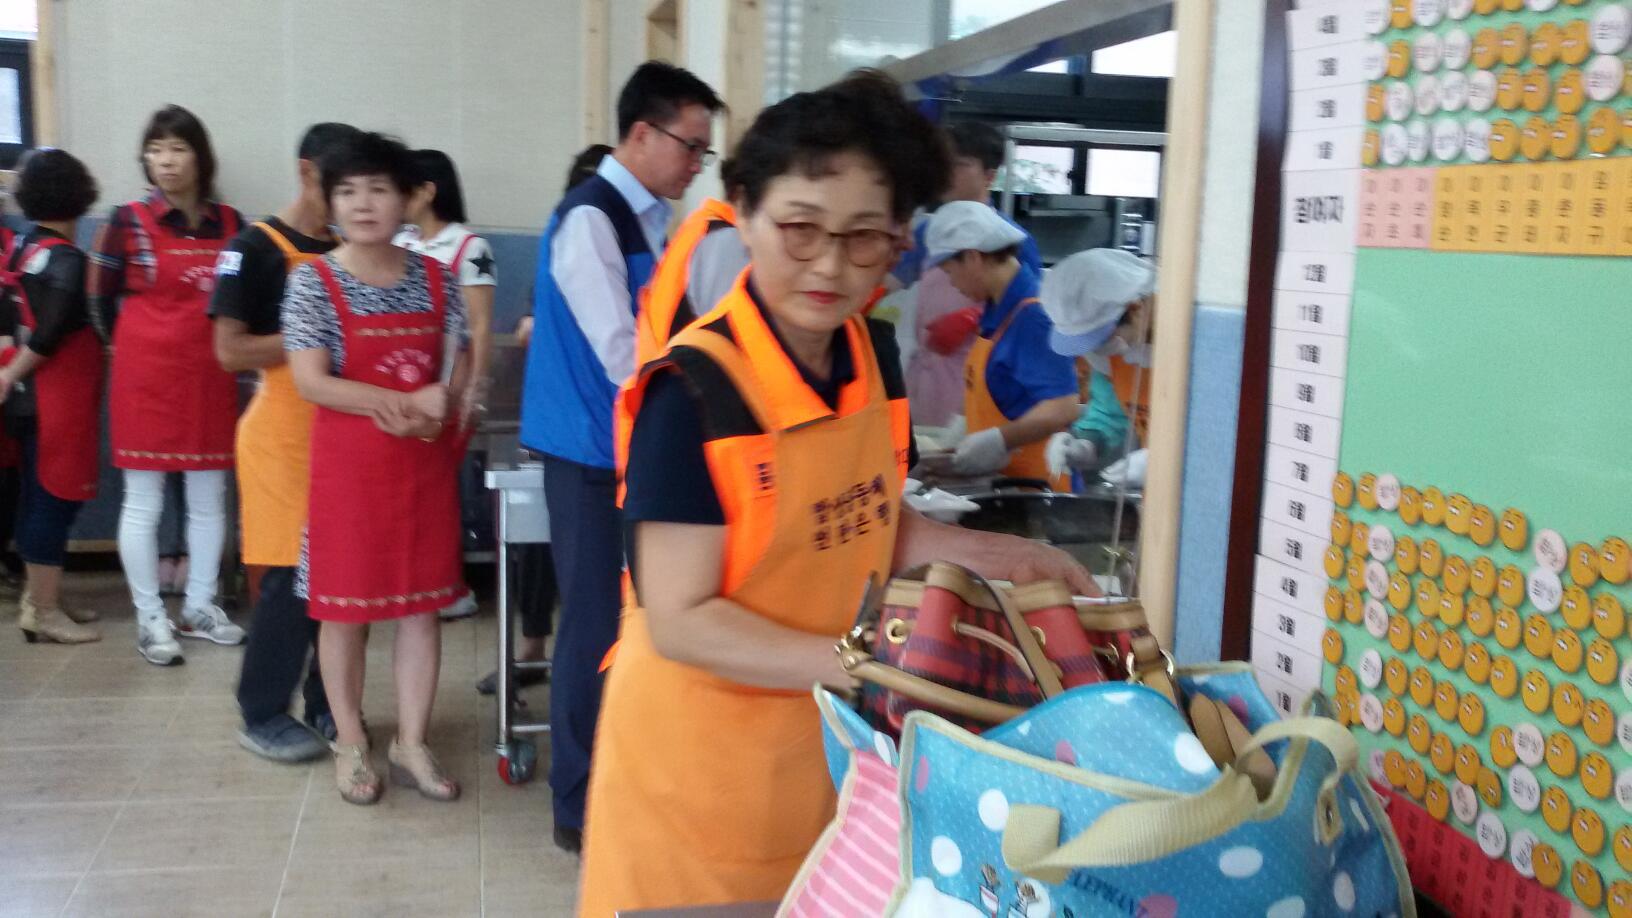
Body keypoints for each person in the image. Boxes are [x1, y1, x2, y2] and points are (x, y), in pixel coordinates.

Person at [576, 70, 1096, 916]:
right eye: (800, 229)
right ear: (744, 212)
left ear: (897, 241)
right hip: (697, 770)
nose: (828, 264)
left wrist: (1010, 557)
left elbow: (866, 522)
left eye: (863, 238)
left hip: (828, 748)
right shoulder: (696, 391)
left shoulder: (868, 355)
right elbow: (681, 619)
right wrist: (877, 668)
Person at [520, 60, 723, 853]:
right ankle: (576, 803)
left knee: (637, 623)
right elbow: (623, 353)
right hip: (588, 455)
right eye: (690, 146)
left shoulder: (651, 221)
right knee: (592, 625)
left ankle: (623, 781)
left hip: (630, 452)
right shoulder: (590, 219)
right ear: (642, 134)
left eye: (704, 151)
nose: (697, 164)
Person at [282, 131, 470, 805]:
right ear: (331, 201)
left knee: (421, 610)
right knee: (344, 613)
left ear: (409, 199)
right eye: (348, 191)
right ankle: (352, 741)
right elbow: (311, 381)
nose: (363, 204)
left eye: (378, 189)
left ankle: (412, 741)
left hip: (421, 469)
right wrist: (404, 403)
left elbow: (455, 364)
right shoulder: (313, 281)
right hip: (349, 476)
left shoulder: (439, 279)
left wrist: (441, 408)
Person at [212, 121, 360, 762]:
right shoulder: (254, 247)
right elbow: (229, 350)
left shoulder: (349, 253)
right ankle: (262, 711)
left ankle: (329, 702)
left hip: (340, 434)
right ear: (307, 173)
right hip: (279, 441)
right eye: (342, 186)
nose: (353, 201)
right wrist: (311, 339)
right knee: (288, 580)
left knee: (343, 580)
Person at [89, 104, 246, 665]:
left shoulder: (233, 225)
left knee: (209, 498)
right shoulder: (124, 221)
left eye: (177, 148)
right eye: (155, 150)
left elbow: (243, 300)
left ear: (201, 158)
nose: (166, 161)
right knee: (143, 500)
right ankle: (150, 617)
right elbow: (98, 301)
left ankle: (200, 605)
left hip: (210, 375)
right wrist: (131, 352)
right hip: (145, 380)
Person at [0, 149, 104, 644]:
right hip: (55, 397)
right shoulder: (67, 259)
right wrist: (11, 374)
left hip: (28, 399)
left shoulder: (22, 247)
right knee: (53, 500)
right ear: (79, 194)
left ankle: (40, 597)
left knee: (35, 498)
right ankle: (42, 610)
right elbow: (52, 332)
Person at [888, 122, 1043, 425]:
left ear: (989, 175)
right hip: (925, 379)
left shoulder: (1014, 240)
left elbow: (1030, 315)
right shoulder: (927, 232)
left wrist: (973, 318)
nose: (947, 174)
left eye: (960, 165)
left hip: (980, 377)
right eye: (943, 164)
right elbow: (889, 279)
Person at [397, 148, 496, 621]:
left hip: (447, 388)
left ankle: (449, 586)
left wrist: (473, 390)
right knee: (407, 491)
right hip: (403, 384)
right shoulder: (400, 242)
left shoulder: (469, 246)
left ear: (427, 192)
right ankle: (412, 583)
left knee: (436, 491)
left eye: (403, 186)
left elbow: (480, 325)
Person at [926, 201, 1079, 485]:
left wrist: (1000, 440)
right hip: (1008, 483)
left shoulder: (1033, 317)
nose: (952, 283)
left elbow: (1063, 407)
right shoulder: (996, 311)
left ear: (972, 257)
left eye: (949, 272)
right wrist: (959, 438)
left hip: (1041, 489)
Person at [1039, 248, 1156, 478]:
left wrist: (1160, 460)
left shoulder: (1196, 346)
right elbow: (1108, 413)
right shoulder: (1113, 352)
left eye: (1101, 339)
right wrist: (1085, 444)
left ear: (1135, 309)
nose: (1098, 351)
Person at [633, 157, 749, 365]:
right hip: (688, 374)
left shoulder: (701, 226)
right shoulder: (728, 241)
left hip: (665, 368)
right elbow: (736, 335)